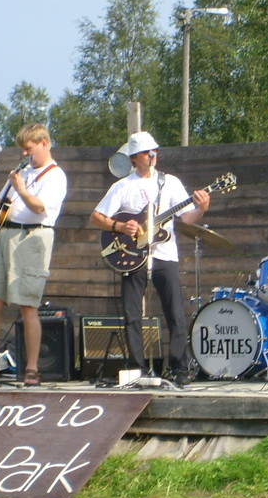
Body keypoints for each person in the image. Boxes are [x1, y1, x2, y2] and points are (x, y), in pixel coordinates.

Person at [90, 131, 210, 387]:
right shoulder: (122, 186)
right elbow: (96, 217)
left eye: (154, 150)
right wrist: (120, 227)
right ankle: (136, 368)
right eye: (146, 152)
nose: (152, 155)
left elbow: (186, 218)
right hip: (132, 256)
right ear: (134, 158)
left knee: (175, 312)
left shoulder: (171, 182)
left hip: (165, 255)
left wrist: (201, 207)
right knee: (132, 315)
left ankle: (179, 368)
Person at [0, 123, 67, 386]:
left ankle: (31, 368)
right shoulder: (22, 171)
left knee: (28, 305)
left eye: (28, 149)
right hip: (6, 235)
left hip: (33, 237)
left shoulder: (55, 175)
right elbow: (3, 201)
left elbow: (39, 207)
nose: (25, 155)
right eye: (22, 150)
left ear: (44, 143)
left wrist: (20, 188)